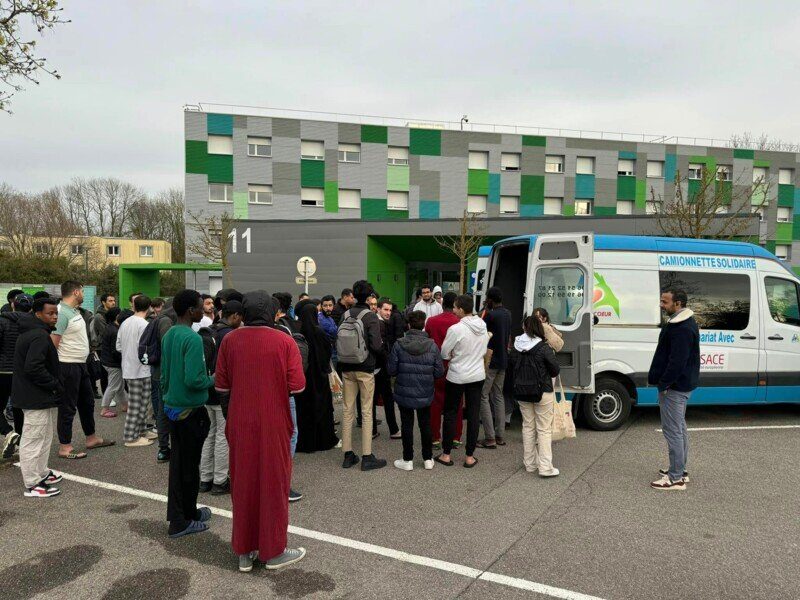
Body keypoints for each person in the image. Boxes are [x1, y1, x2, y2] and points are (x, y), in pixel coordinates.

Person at [214, 291, 307, 571]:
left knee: (243, 484)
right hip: (273, 420)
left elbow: (221, 386)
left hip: (240, 421)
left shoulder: (230, 340)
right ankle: (273, 550)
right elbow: (298, 385)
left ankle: (245, 551)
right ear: (270, 312)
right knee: (274, 484)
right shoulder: (284, 340)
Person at [161, 290, 215, 538]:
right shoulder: (192, 339)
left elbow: (164, 375)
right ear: (190, 311)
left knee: (183, 465)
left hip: (173, 408)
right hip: (190, 411)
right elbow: (195, 380)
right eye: (199, 307)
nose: (202, 311)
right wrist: (216, 378)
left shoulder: (170, 333)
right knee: (188, 468)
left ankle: (189, 512)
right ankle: (179, 521)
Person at [52, 281, 113, 460]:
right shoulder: (61, 312)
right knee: (67, 407)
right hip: (67, 365)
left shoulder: (74, 311)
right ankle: (65, 447)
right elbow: (53, 342)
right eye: (83, 292)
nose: (84, 295)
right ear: (76, 292)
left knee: (87, 402)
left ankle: (91, 438)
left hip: (80, 364)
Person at [648, 288, 700, 491]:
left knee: (673, 432)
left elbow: (677, 362)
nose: (661, 304)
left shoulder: (682, 328)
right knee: (679, 429)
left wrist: (664, 384)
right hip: (680, 386)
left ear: (678, 303)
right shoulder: (682, 323)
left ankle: (676, 478)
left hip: (675, 388)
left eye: (665, 302)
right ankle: (681, 471)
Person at [14, 297, 63, 497]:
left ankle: (41, 473)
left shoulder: (36, 332)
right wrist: (54, 385)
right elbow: (33, 367)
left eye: (55, 313)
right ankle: (32, 483)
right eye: (49, 313)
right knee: (33, 439)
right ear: (37, 314)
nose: (54, 317)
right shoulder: (38, 336)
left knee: (44, 436)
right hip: (34, 396)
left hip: (38, 396)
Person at [338, 280, 387, 471]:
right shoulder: (370, 317)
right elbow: (376, 345)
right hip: (365, 367)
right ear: (369, 296)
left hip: (346, 366)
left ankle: (348, 454)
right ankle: (367, 456)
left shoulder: (345, 314)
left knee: (347, 410)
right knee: (366, 411)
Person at [436, 294, 489, 468]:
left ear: (460, 309)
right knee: (473, 415)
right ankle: (469, 456)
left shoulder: (456, 329)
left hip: (457, 375)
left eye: (455, 307)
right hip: (477, 375)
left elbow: (444, 353)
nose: (453, 310)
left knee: (451, 412)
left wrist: (454, 355)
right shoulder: (482, 326)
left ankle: (446, 454)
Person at [388, 310, 444, 471]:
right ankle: (427, 458)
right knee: (425, 424)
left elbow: (391, 369)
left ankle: (408, 459)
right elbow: (439, 371)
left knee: (407, 424)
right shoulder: (432, 345)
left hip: (404, 390)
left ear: (409, 325)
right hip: (425, 391)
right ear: (423, 325)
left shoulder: (399, 344)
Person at [199, 301, 243, 495]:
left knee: (209, 434)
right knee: (223, 437)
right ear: (235, 316)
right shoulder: (231, 336)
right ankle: (220, 480)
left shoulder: (208, 331)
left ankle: (205, 478)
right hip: (223, 393)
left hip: (206, 391)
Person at [510, 316, 561, 477]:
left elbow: (511, 366)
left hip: (521, 392)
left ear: (524, 328)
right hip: (542, 391)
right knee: (544, 429)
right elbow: (555, 370)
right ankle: (545, 467)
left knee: (528, 426)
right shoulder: (543, 347)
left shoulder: (517, 346)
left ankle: (530, 463)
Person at [294, 303, 339, 453]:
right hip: (319, 377)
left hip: (304, 377)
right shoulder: (319, 333)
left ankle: (305, 442)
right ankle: (323, 440)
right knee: (322, 408)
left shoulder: (298, 332)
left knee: (304, 411)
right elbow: (327, 352)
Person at [424, 291, 463, 449]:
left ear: (441, 303)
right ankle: (455, 436)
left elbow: (427, 343)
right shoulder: (460, 322)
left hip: (436, 367)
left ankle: (435, 438)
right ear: (455, 305)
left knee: (435, 403)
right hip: (456, 366)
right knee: (456, 404)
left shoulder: (431, 321)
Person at [117, 295, 155, 448]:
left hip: (129, 368)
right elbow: (147, 347)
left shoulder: (125, 323)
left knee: (140, 403)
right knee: (137, 404)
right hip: (141, 369)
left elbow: (118, 346)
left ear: (134, 306)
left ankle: (141, 431)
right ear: (149, 307)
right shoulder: (145, 324)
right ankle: (130, 437)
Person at [477, 286, 513, 449]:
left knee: (483, 395)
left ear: (490, 300)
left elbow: (480, 329)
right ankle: (500, 435)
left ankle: (489, 437)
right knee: (498, 395)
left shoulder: (490, 314)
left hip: (490, 360)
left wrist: (485, 309)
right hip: (503, 360)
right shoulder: (507, 314)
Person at [0, 293, 33, 457]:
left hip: (3, 371)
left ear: (13, 305)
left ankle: (8, 432)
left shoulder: (2, 321)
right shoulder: (33, 324)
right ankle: (22, 443)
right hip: (23, 373)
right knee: (19, 409)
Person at [375, 298, 400, 439]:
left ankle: (373, 430)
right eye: (385, 309)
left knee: (375, 399)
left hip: (376, 367)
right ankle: (394, 430)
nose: (388, 312)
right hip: (380, 368)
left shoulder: (380, 322)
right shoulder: (379, 324)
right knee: (388, 399)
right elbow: (381, 348)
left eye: (390, 310)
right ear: (378, 309)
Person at [99, 308, 126, 418]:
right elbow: (115, 351)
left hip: (107, 361)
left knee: (119, 386)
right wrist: (123, 361)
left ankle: (125, 405)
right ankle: (104, 409)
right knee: (113, 386)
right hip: (113, 363)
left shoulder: (109, 327)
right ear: (117, 316)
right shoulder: (115, 331)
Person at [89, 293, 116, 393]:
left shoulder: (112, 313)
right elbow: (105, 333)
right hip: (102, 347)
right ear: (103, 302)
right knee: (104, 372)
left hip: (110, 345)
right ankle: (106, 393)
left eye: (114, 300)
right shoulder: (99, 316)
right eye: (110, 301)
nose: (113, 302)